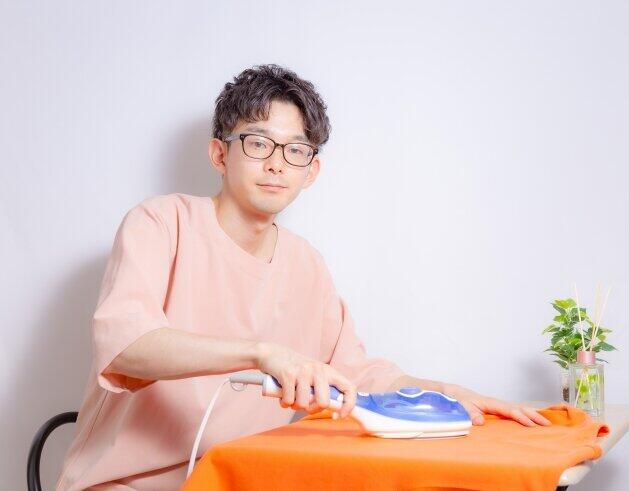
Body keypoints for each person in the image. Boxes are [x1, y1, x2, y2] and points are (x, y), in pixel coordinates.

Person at [56, 64, 550, 490]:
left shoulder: (306, 264)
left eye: (295, 150)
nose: (276, 164)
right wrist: (262, 354)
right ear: (220, 154)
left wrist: (450, 394)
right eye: (258, 143)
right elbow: (128, 345)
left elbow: (358, 374)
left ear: (311, 171)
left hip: (239, 480)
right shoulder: (162, 223)